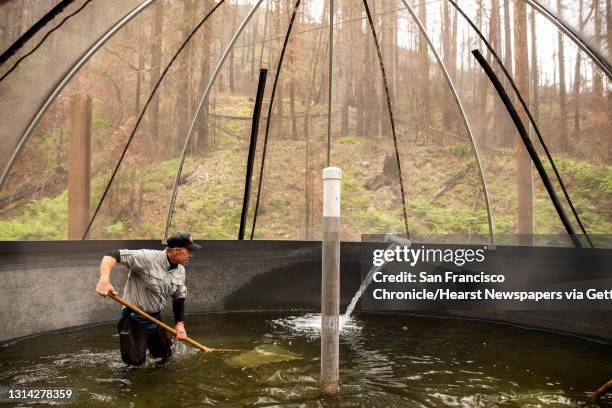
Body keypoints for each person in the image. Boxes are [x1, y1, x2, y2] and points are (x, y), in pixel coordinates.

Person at [95, 232, 202, 365]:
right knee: (134, 364)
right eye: (189, 251)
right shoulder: (147, 258)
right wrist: (104, 280)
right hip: (134, 317)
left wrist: (180, 323)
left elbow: (179, 296)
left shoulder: (180, 270)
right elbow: (112, 254)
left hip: (155, 319)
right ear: (176, 250)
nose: (191, 255)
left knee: (165, 357)